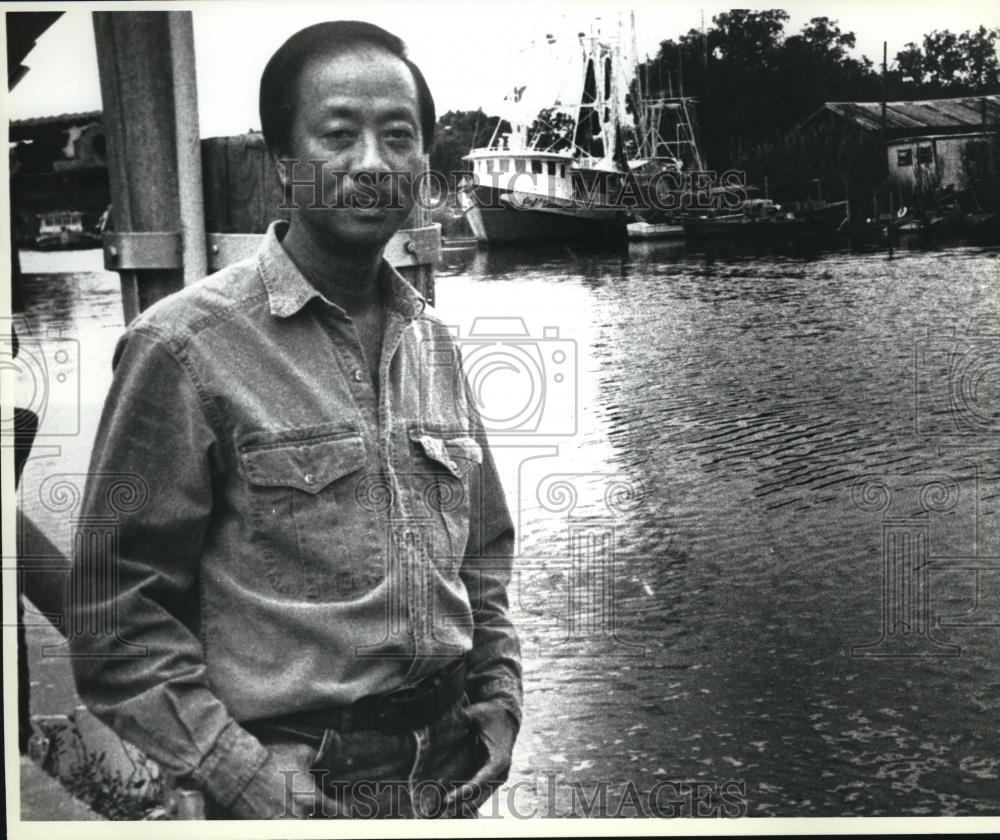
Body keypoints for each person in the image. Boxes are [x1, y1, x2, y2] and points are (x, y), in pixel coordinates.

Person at [67, 20, 521, 819]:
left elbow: (482, 556)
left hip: (454, 767)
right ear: (283, 162)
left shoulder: (434, 343)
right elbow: (115, 612)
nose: (372, 163)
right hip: (300, 781)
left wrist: (498, 692)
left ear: (423, 162)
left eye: (398, 137)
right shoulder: (183, 349)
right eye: (339, 136)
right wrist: (236, 770)